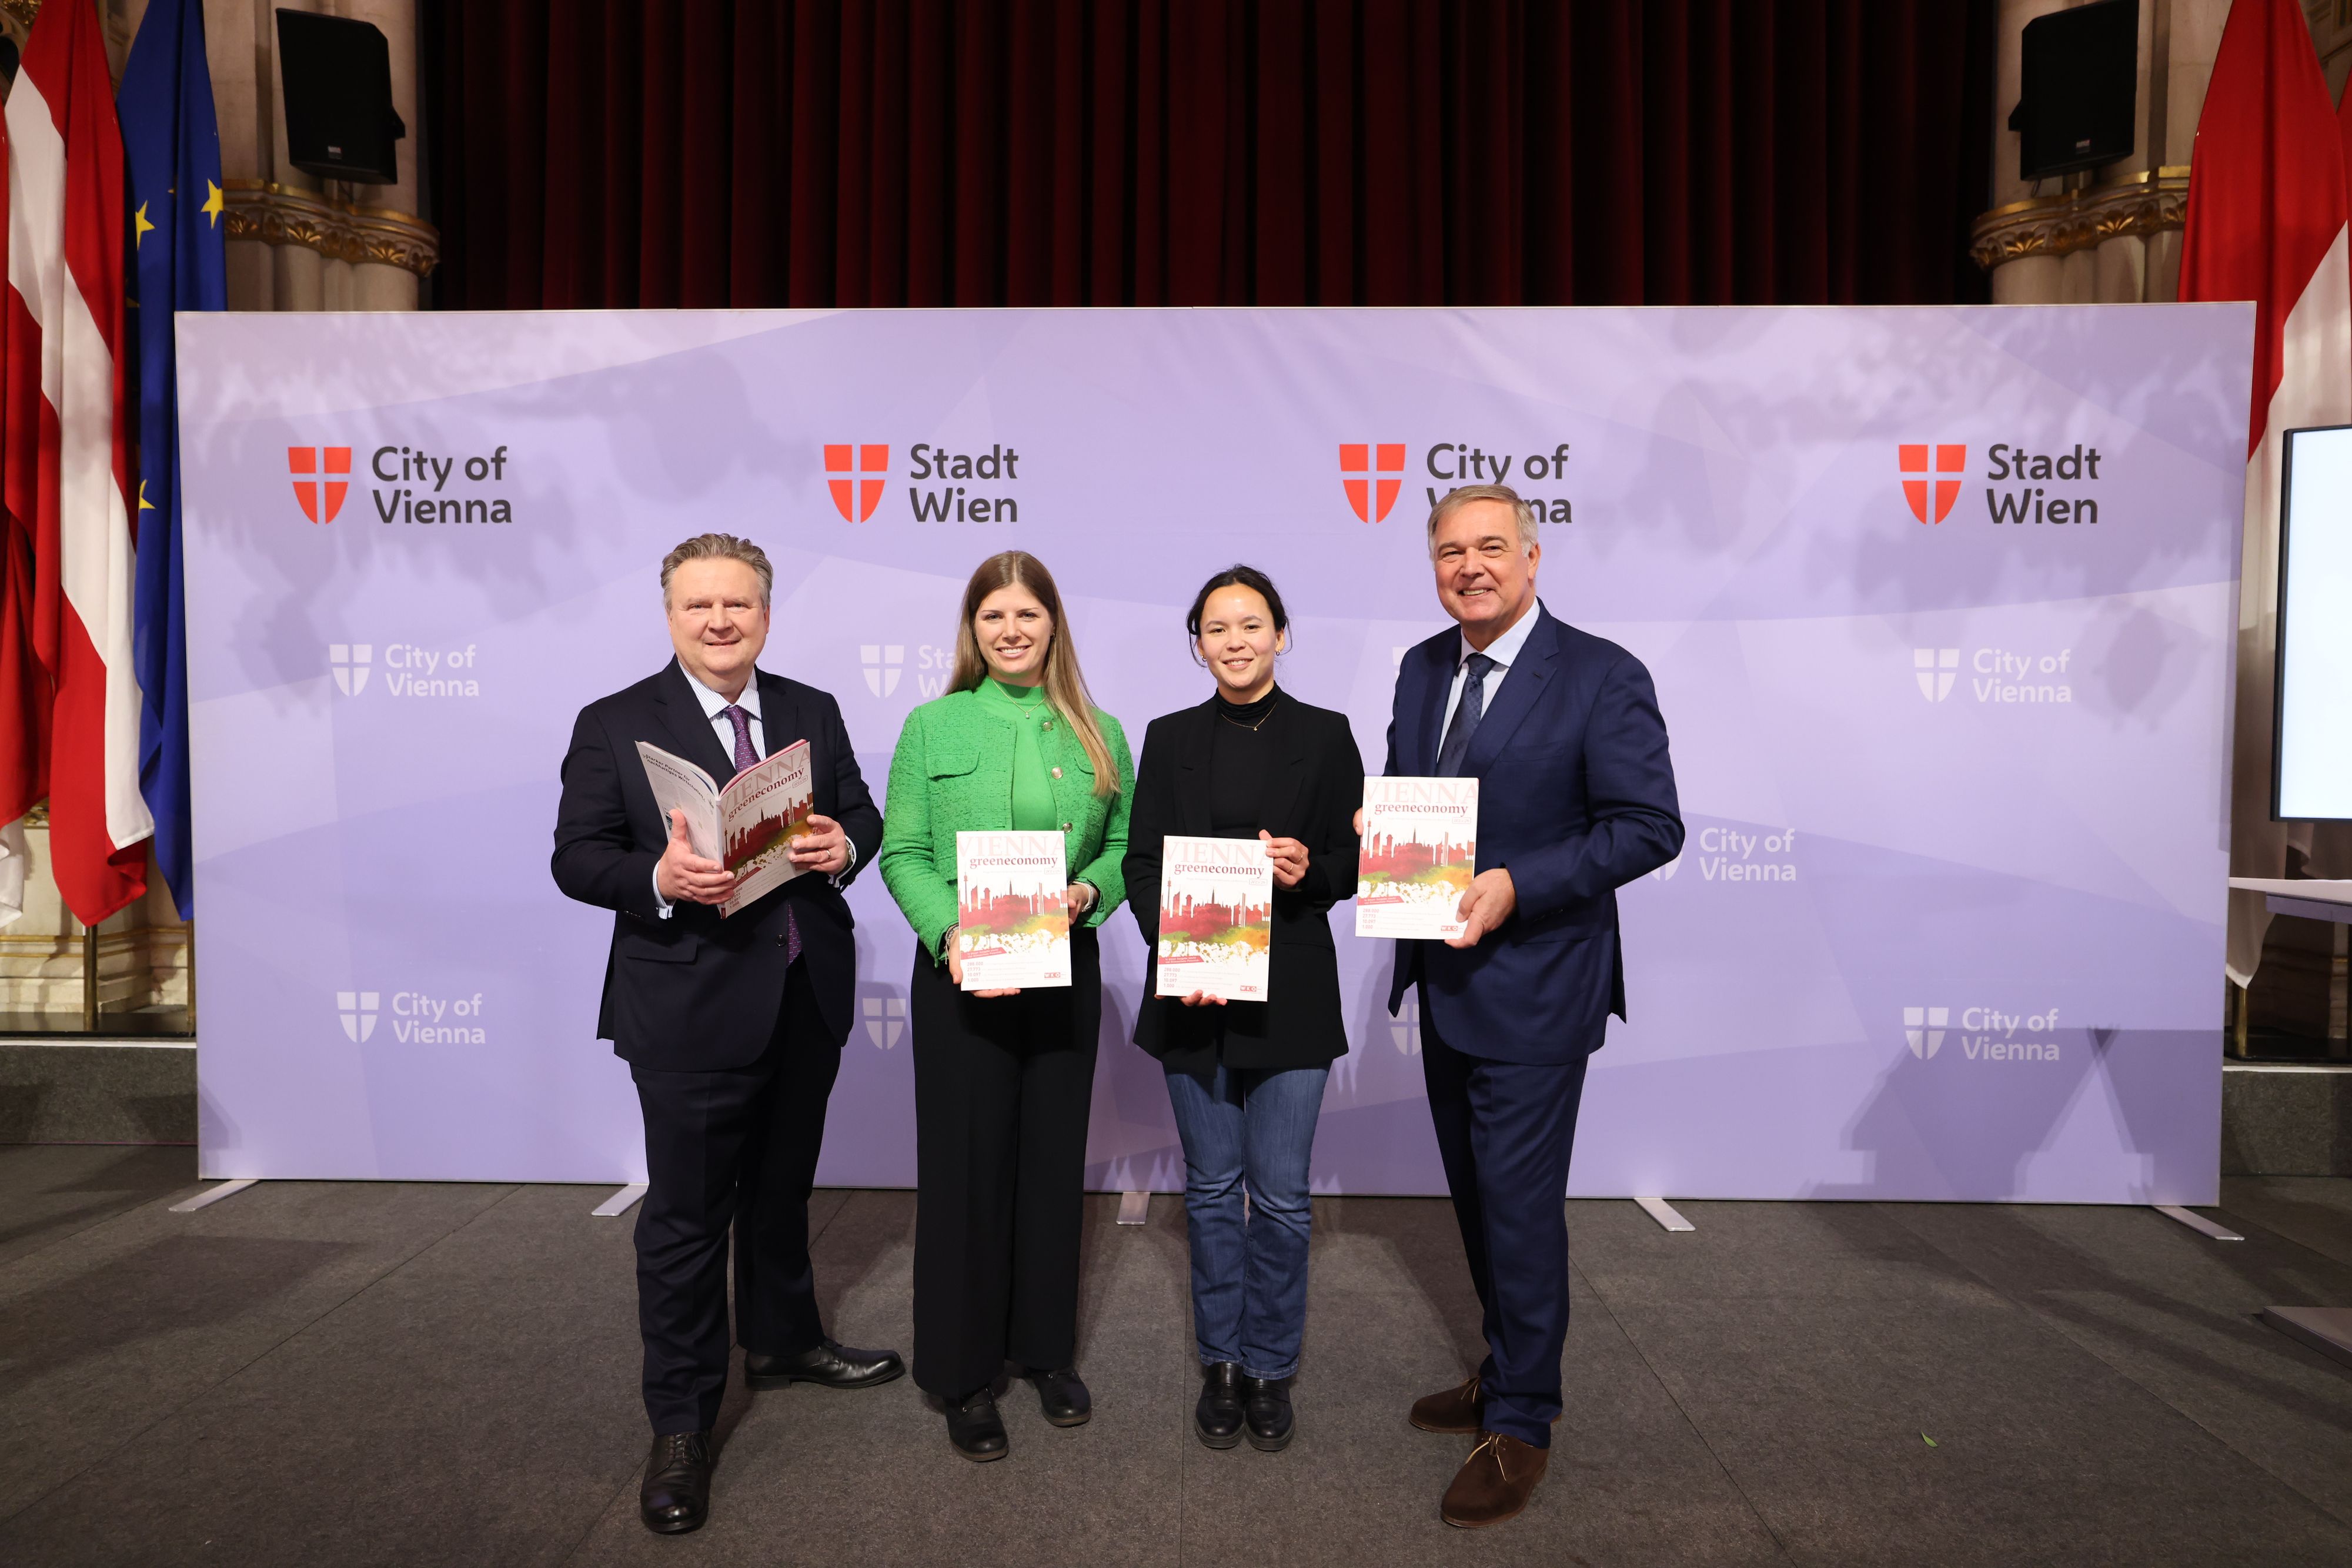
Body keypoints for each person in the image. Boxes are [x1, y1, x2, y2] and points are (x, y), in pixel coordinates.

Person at [550, 533, 902, 1536]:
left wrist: (845, 846)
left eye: (737, 605)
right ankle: (681, 1423)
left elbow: (860, 815)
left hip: (805, 992)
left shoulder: (809, 709)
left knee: (782, 1192)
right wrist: (657, 880)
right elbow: (577, 858)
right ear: (670, 615)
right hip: (690, 1003)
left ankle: (786, 1342)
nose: (719, 621)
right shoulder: (616, 722)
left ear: (766, 614)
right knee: (689, 1222)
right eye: (699, 605)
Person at [1381, 485, 1682, 1529]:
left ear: (1534, 557)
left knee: (1517, 1205)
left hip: (1542, 986)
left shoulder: (1603, 673)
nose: (1470, 566)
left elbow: (1649, 826)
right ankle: (1502, 1364)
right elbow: (1406, 801)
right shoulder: (1423, 667)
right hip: (1447, 979)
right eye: (1451, 551)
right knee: (1474, 1198)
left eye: (1491, 548)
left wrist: (1518, 881)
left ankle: (1522, 1421)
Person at [878, 550, 1135, 1460]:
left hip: (1064, 969)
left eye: (1028, 615)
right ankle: (960, 1373)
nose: (1012, 631)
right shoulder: (931, 726)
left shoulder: (1100, 730)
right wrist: (953, 937)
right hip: (962, 979)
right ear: (973, 630)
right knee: (965, 1174)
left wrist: (1090, 894)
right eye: (995, 617)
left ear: (1054, 625)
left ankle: (1044, 1353)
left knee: (1049, 1164)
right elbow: (900, 850)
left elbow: (1126, 849)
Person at [1122, 566, 1362, 1454]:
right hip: (1195, 991)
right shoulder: (1169, 736)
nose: (1235, 640)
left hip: (1292, 992)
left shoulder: (1328, 736)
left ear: (1282, 635)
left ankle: (1271, 1365)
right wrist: (1177, 940)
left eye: (1251, 624)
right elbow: (1141, 863)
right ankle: (1221, 1361)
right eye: (1216, 628)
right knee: (1214, 1189)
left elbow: (1354, 860)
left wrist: (1315, 870)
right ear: (1197, 645)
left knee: (1286, 1197)